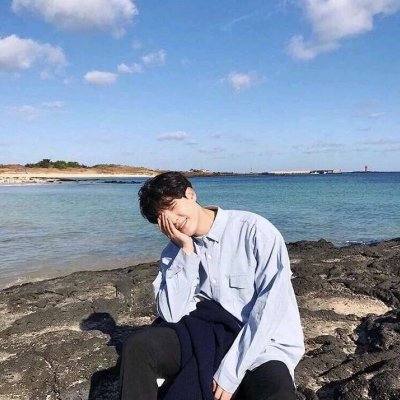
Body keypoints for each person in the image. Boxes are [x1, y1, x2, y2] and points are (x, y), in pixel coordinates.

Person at [119, 171, 305, 400]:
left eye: (173, 207)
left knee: (278, 394)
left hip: (262, 346)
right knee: (138, 347)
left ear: (190, 194)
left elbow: (271, 307)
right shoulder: (172, 253)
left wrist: (230, 373)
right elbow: (171, 315)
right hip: (205, 336)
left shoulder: (253, 230)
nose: (173, 220)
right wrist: (186, 251)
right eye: (162, 219)